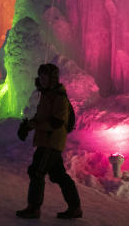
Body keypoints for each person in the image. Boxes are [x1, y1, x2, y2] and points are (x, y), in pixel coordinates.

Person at [15, 63, 82, 220]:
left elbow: (56, 122)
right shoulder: (46, 94)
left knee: (36, 171)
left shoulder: (59, 97)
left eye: (46, 76)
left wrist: (34, 125)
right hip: (48, 141)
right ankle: (75, 208)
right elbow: (42, 118)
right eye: (41, 76)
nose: (42, 79)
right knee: (59, 175)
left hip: (51, 142)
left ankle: (34, 208)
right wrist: (29, 125)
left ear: (53, 78)